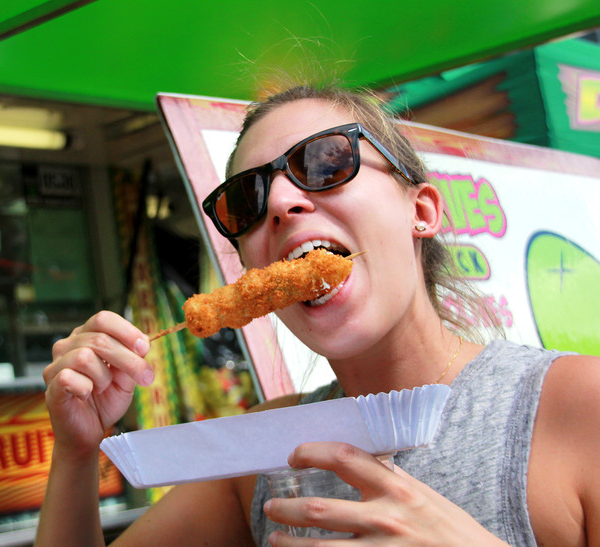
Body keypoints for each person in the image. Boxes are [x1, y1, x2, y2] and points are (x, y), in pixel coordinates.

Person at [36, 82, 600, 546]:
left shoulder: (576, 404)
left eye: (329, 162)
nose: (281, 202)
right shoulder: (260, 448)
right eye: (246, 202)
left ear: (421, 210)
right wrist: (78, 452)